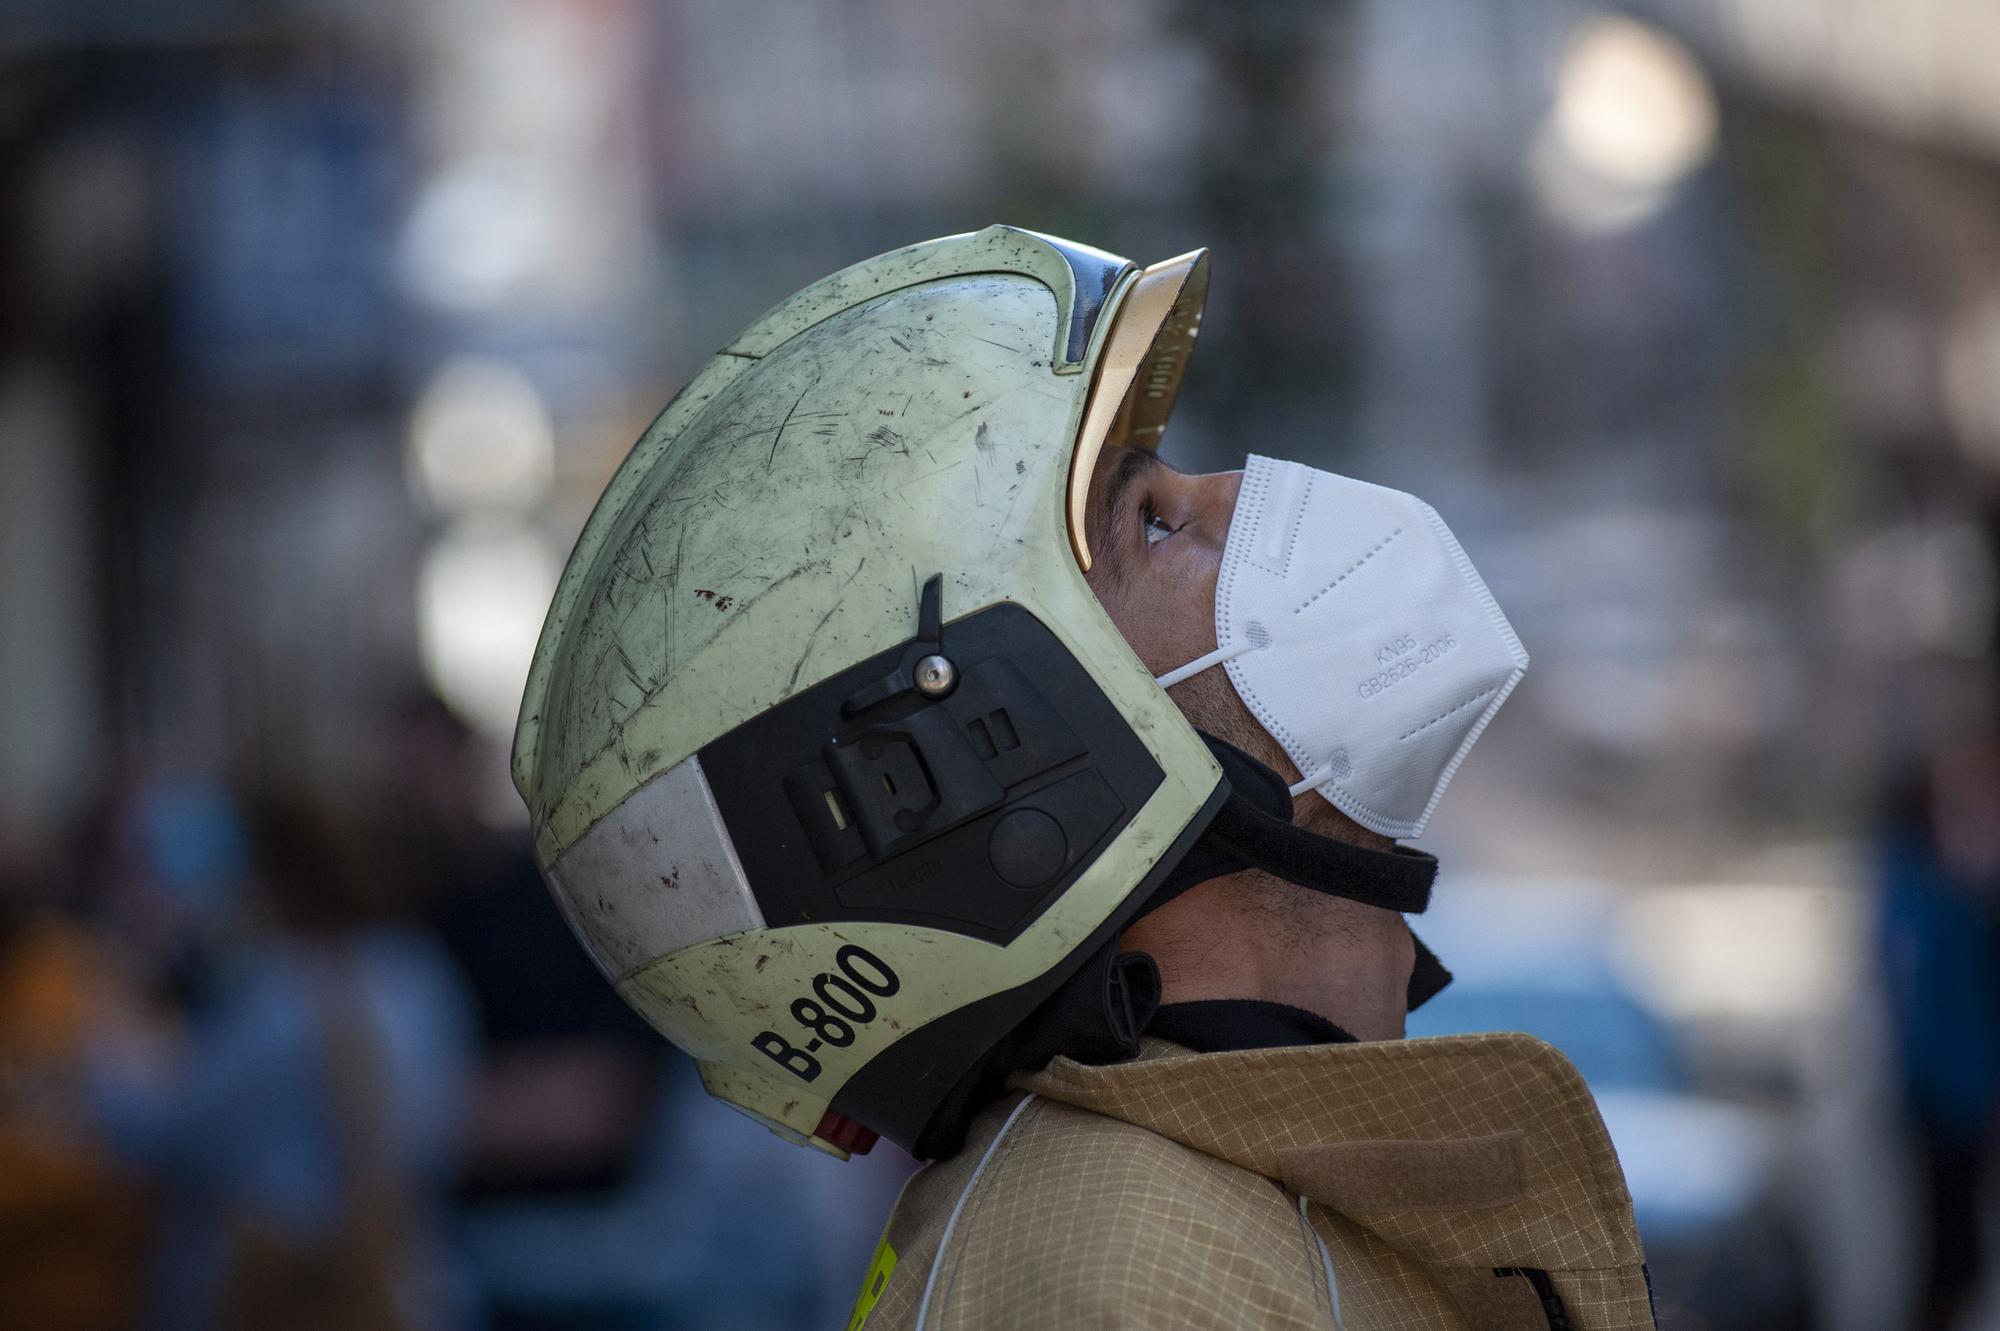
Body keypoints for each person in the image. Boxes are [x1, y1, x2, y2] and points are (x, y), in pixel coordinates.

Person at [510, 227, 1656, 1329]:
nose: (1239, 492)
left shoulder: (1242, 1210)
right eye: (1150, 521)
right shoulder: (1115, 1277)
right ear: (995, 763)